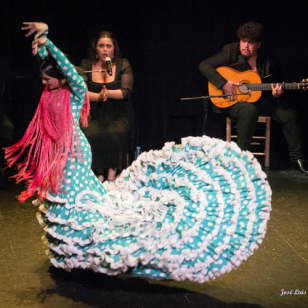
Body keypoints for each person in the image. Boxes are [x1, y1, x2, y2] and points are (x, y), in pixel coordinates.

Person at [5, 22, 271, 284]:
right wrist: (41, 46)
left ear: (61, 77)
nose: (43, 81)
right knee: (64, 199)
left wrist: (49, 39)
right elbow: (48, 66)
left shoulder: (73, 90)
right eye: (42, 77)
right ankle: (76, 253)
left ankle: (90, 250)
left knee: (79, 204)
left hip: (73, 152)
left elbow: (67, 70)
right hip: (60, 153)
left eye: (47, 77)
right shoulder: (50, 89)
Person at [199, 20, 308, 174]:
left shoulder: (268, 61)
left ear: (258, 44)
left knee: (289, 115)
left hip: (259, 99)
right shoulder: (231, 51)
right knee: (249, 110)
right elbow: (204, 65)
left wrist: (277, 95)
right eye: (243, 41)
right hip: (232, 100)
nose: (245, 46)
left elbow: (270, 89)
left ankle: (297, 159)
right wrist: (223, 83)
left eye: (250, 43)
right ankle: (240, 159)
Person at [80, 31, 134, 182]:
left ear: (113, 49)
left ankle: (112, 175)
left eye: (108, 46)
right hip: (94, 114)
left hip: (117, 114)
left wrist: (108, 93)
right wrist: (98, 96)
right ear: (95, 48)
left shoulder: (123, 64)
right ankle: (98, 174)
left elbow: (126, 92)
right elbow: (81, 91)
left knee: (116, 132)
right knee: (90, 132)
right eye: (101, 46)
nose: (105, 49)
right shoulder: (86, 65)